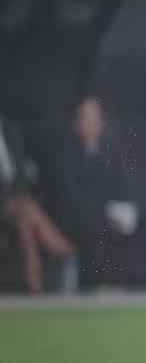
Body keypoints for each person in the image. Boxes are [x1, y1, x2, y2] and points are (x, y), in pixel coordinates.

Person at [62, 97, 139, 289]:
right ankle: (89, 284)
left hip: (108, 208)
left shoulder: (110, 149)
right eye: (86, 119)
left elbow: (119, 183)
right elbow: (69, 187)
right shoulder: (69, 150)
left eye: (95, 120)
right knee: (92, 223)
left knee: (126, 223)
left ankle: (123, 283)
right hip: (81, 211)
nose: (91, 125)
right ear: (78, 122)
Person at [0, 114, 74, 293]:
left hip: (17, 200)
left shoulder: (10, 131)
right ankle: (62, 250)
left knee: (25, 221)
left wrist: (19, 193)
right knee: (29, 208)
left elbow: (22, 172)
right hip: (5, 201)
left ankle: (35, 283)